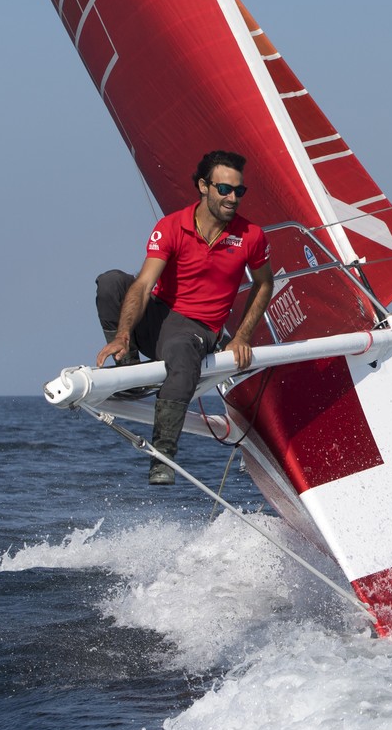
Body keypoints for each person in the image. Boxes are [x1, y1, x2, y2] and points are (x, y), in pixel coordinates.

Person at [96, 150, 274, 484]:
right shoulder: (172, 226)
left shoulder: (250, 235)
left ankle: (162, 456)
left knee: (180, 350)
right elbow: (144, 284)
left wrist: (242, 336)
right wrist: (122, 334)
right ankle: (129, 369)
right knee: (110, 282)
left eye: (239, 191)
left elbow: (265, 284)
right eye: (224, 189)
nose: (233, 197)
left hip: (197, 328)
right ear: (204, 187)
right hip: (158, 316)